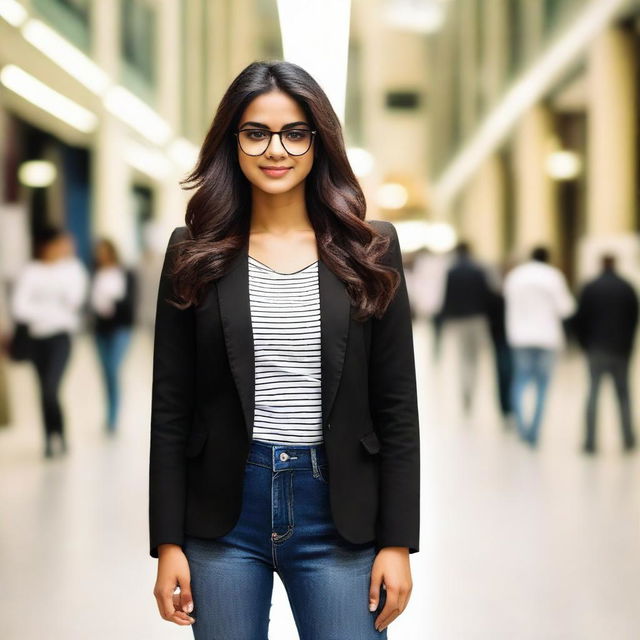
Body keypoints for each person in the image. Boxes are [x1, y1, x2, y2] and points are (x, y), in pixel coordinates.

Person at [149, 60, 420, 639]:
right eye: (256, 132)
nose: (277, 150)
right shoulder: (192, 252)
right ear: (233, 141)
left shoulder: (370, 249)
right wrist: (167, 542)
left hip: (338, 513)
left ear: (319, 142)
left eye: (295, 132)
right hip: (224, 514)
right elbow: (170, 408)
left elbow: (397, 406)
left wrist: (397, 541)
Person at [10, 227, 89, 457]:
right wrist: (51, 311)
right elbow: (19, 308)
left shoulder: (73, 269)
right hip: (36, 340)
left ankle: (60, 433)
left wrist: (42, 309)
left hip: (60, 339)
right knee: (42, 389)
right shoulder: (31, 271)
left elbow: (74, 302)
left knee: (51, 389)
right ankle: (48, 438)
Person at [504, 246, 575, 447]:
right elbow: (566, 308)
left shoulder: (516, 276)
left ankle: (521, 426)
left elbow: (507, 303)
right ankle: (534, 431)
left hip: (520, 336)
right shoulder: (553, 276)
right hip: (546, 337)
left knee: (520, 381)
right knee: (542, 386)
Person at [572, 255, 638, 454]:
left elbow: (580, 318)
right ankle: (628, 439)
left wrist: (584, 344)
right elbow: (634, 319)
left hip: (596, 348)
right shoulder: (627, 287)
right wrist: (629, 345)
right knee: (624, 395)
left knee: (593, 393)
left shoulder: (590, 287)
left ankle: (590, 441)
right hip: (620, 349)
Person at [436, 242, 492, 415]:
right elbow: (487, 296)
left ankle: (464, 394)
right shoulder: (478, 270)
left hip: (458, 320)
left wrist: (443, 320)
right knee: (474, 359)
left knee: (462, 358)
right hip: (477, 318)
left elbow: (447, 297)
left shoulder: (452, 272)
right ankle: (472, 391)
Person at [89, 238, 136, 434]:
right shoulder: (95, 274)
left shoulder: (125, 273)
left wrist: (112, 304)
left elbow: (130, 302)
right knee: (105, 373)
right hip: (100, 329)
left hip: (120, 328)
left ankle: (113, 416)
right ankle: (109, 414)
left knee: (112, 369)